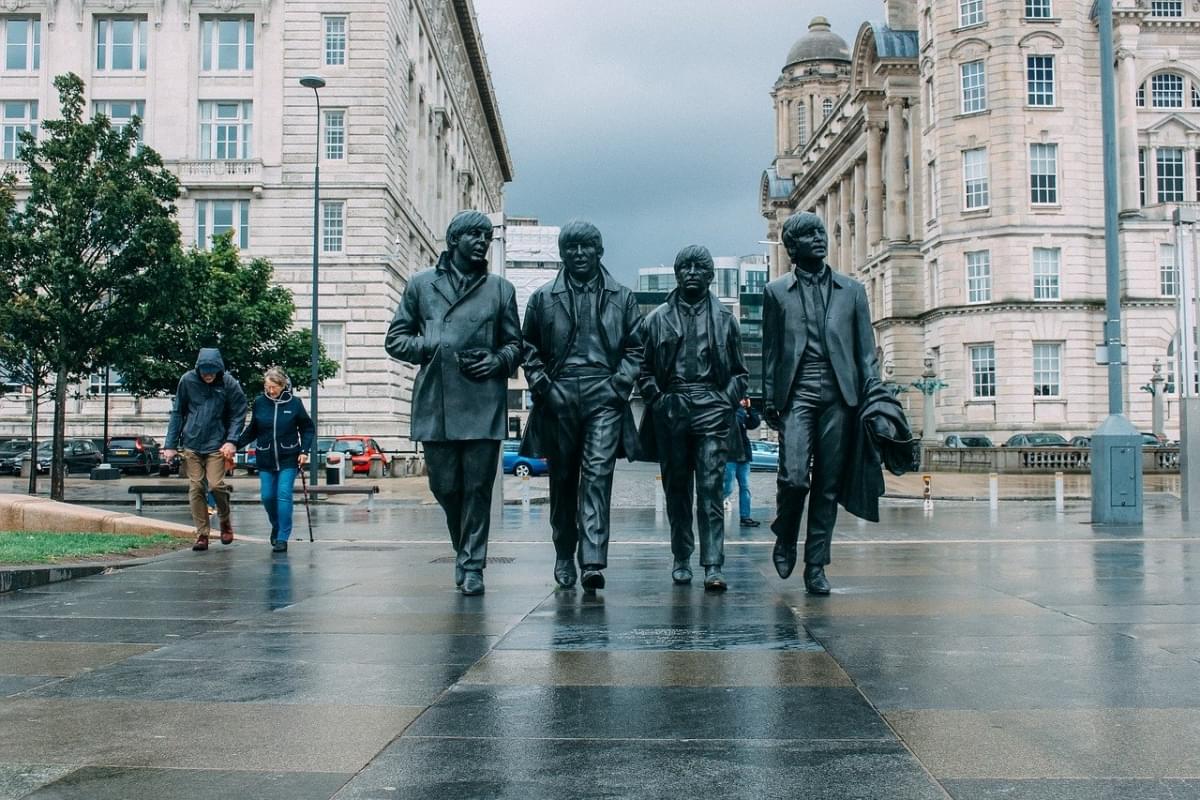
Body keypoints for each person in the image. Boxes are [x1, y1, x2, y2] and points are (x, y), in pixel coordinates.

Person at [385, 209, 521, 596]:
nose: (482, 242)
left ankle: (473, 565)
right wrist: (429, 345)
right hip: (437, 401)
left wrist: (498, 360)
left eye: (487, 237)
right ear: (455, 240)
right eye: (475, 236)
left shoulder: (500, 289)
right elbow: (395, 339)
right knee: (445, 486)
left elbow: (516, 344)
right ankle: (464, 549)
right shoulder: (421, 285)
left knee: (478, 488)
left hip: (482, 401)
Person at [762, 211, 885, 595]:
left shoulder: (852, 290)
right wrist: (769, 398)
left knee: (828, 485)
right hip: (797, 393)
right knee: (794, 478)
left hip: (840, 396)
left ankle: (816, 564)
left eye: (820, 233)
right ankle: (785, 534)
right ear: (792, 248)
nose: (818, 238)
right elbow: (770, 352)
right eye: (807, 235)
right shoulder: (776, 292)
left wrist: (873, 396)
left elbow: (866, 352)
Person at [521, 220, 644, 593]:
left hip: (603, 396)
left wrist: (618, 385)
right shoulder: (543, 298)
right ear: (562, 253)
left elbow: (635, 348)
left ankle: (592, 559)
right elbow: (529, 349)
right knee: (562, 481)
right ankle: (563, 552)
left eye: (586, 247)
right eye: (571, 247)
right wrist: (544, 386)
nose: (578, 254)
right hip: (558, 396)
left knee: (596, 476)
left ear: (599, 251)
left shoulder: (622, 297)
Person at [637, 245, 748, 591]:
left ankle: (713, 563)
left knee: (711, 490)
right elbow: (642, 369)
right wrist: (658, 400)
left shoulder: (726, 320)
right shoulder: (655, 320)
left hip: (711, 408)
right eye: (685, 267)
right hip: (672, 408)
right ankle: (682, 557)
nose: (692, 273)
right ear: (677, 273)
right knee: (677, 490)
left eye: (700, 268)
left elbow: (739, 373)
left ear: (711, 276)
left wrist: (723, 401)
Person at [162, 348, 248, 552]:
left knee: (216, 485)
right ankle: (202, 534)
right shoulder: (187, 381)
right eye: (204, 371)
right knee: (196, 488)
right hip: (192, 442)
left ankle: (225, 520)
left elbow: (239, 412)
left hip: (217, 444)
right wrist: (170, 445)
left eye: (212, 371)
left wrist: (232, 440)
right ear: (198, 369)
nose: (208, 375)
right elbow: (178, 412)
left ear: (219, 369)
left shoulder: (229, 383)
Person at [237, 367, 314, 554]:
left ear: (282, 385)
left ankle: (282, 537)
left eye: (274, 387)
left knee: (283, 494)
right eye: (267, 387)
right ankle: (276, 524)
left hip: (288, 457)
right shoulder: (259, 403)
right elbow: (252, 429)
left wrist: (304, 450)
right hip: (265, 457)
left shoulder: (294, 403)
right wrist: (234, 444)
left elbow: (307, 428)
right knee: (267, 497)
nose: (270, 391)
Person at [723, 398, 762, 528]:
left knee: (745, 487)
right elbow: (734, 422)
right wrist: (738, 407)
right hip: (730, 455)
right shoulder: (729, 410)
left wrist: (750, 409)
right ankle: (712, 508)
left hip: (743, 456)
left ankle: (745, 517)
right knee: (728, 487)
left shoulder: (742, 412)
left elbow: (754, 423)